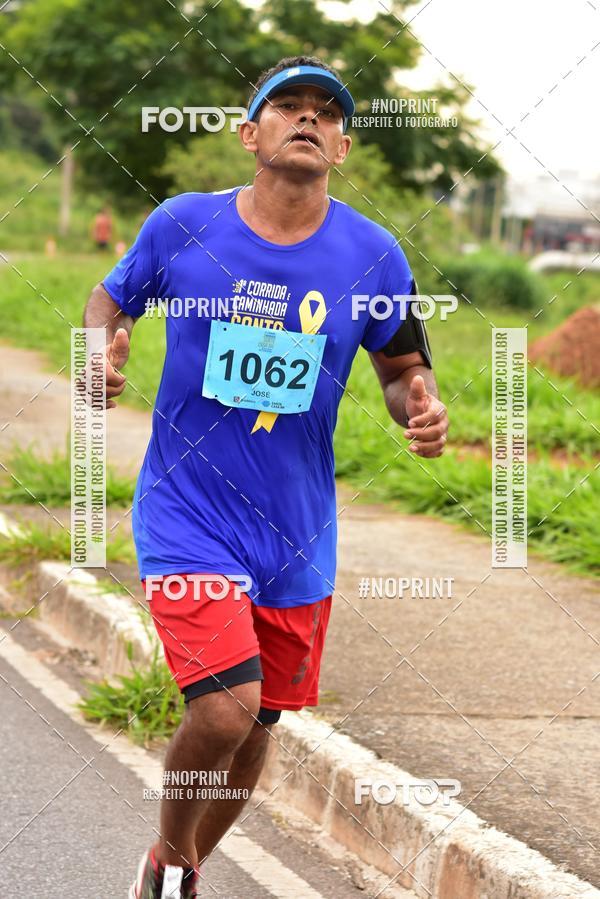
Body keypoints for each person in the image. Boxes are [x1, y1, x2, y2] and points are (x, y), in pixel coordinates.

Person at [83, 55, 449, 899]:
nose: (309, 117)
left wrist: (421, 407)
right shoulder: (183, 224)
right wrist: (97, 350)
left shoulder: (374, 254)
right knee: (225, 706)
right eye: (288, 105)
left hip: (297, 530)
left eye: (327, 111)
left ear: (343, 147)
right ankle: (169, 860)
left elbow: (403, 369)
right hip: (188, 510)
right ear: (251, 134)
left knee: (260, 723)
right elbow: (110, 299)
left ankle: (179, 870)